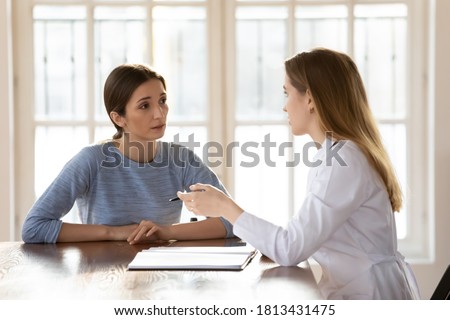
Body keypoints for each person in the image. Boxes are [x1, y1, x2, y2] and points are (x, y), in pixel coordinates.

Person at [177, 48, 421, 300]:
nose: (284, 107)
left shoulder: (344, 161)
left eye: (287, 93)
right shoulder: (335, 154)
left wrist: (225, 207)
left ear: (310, 99)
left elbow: (290, 249)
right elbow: (298, 240)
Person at [22, 63, 233, 244]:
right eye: (144, 106)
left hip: (162, 277)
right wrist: (116, 232)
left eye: (162, 100)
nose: (159, 113)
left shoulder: (182, 159)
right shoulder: (91, 161)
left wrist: (165, 231)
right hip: (102, 275)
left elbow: (233, 221)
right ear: (119, 118)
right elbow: (34, 227)